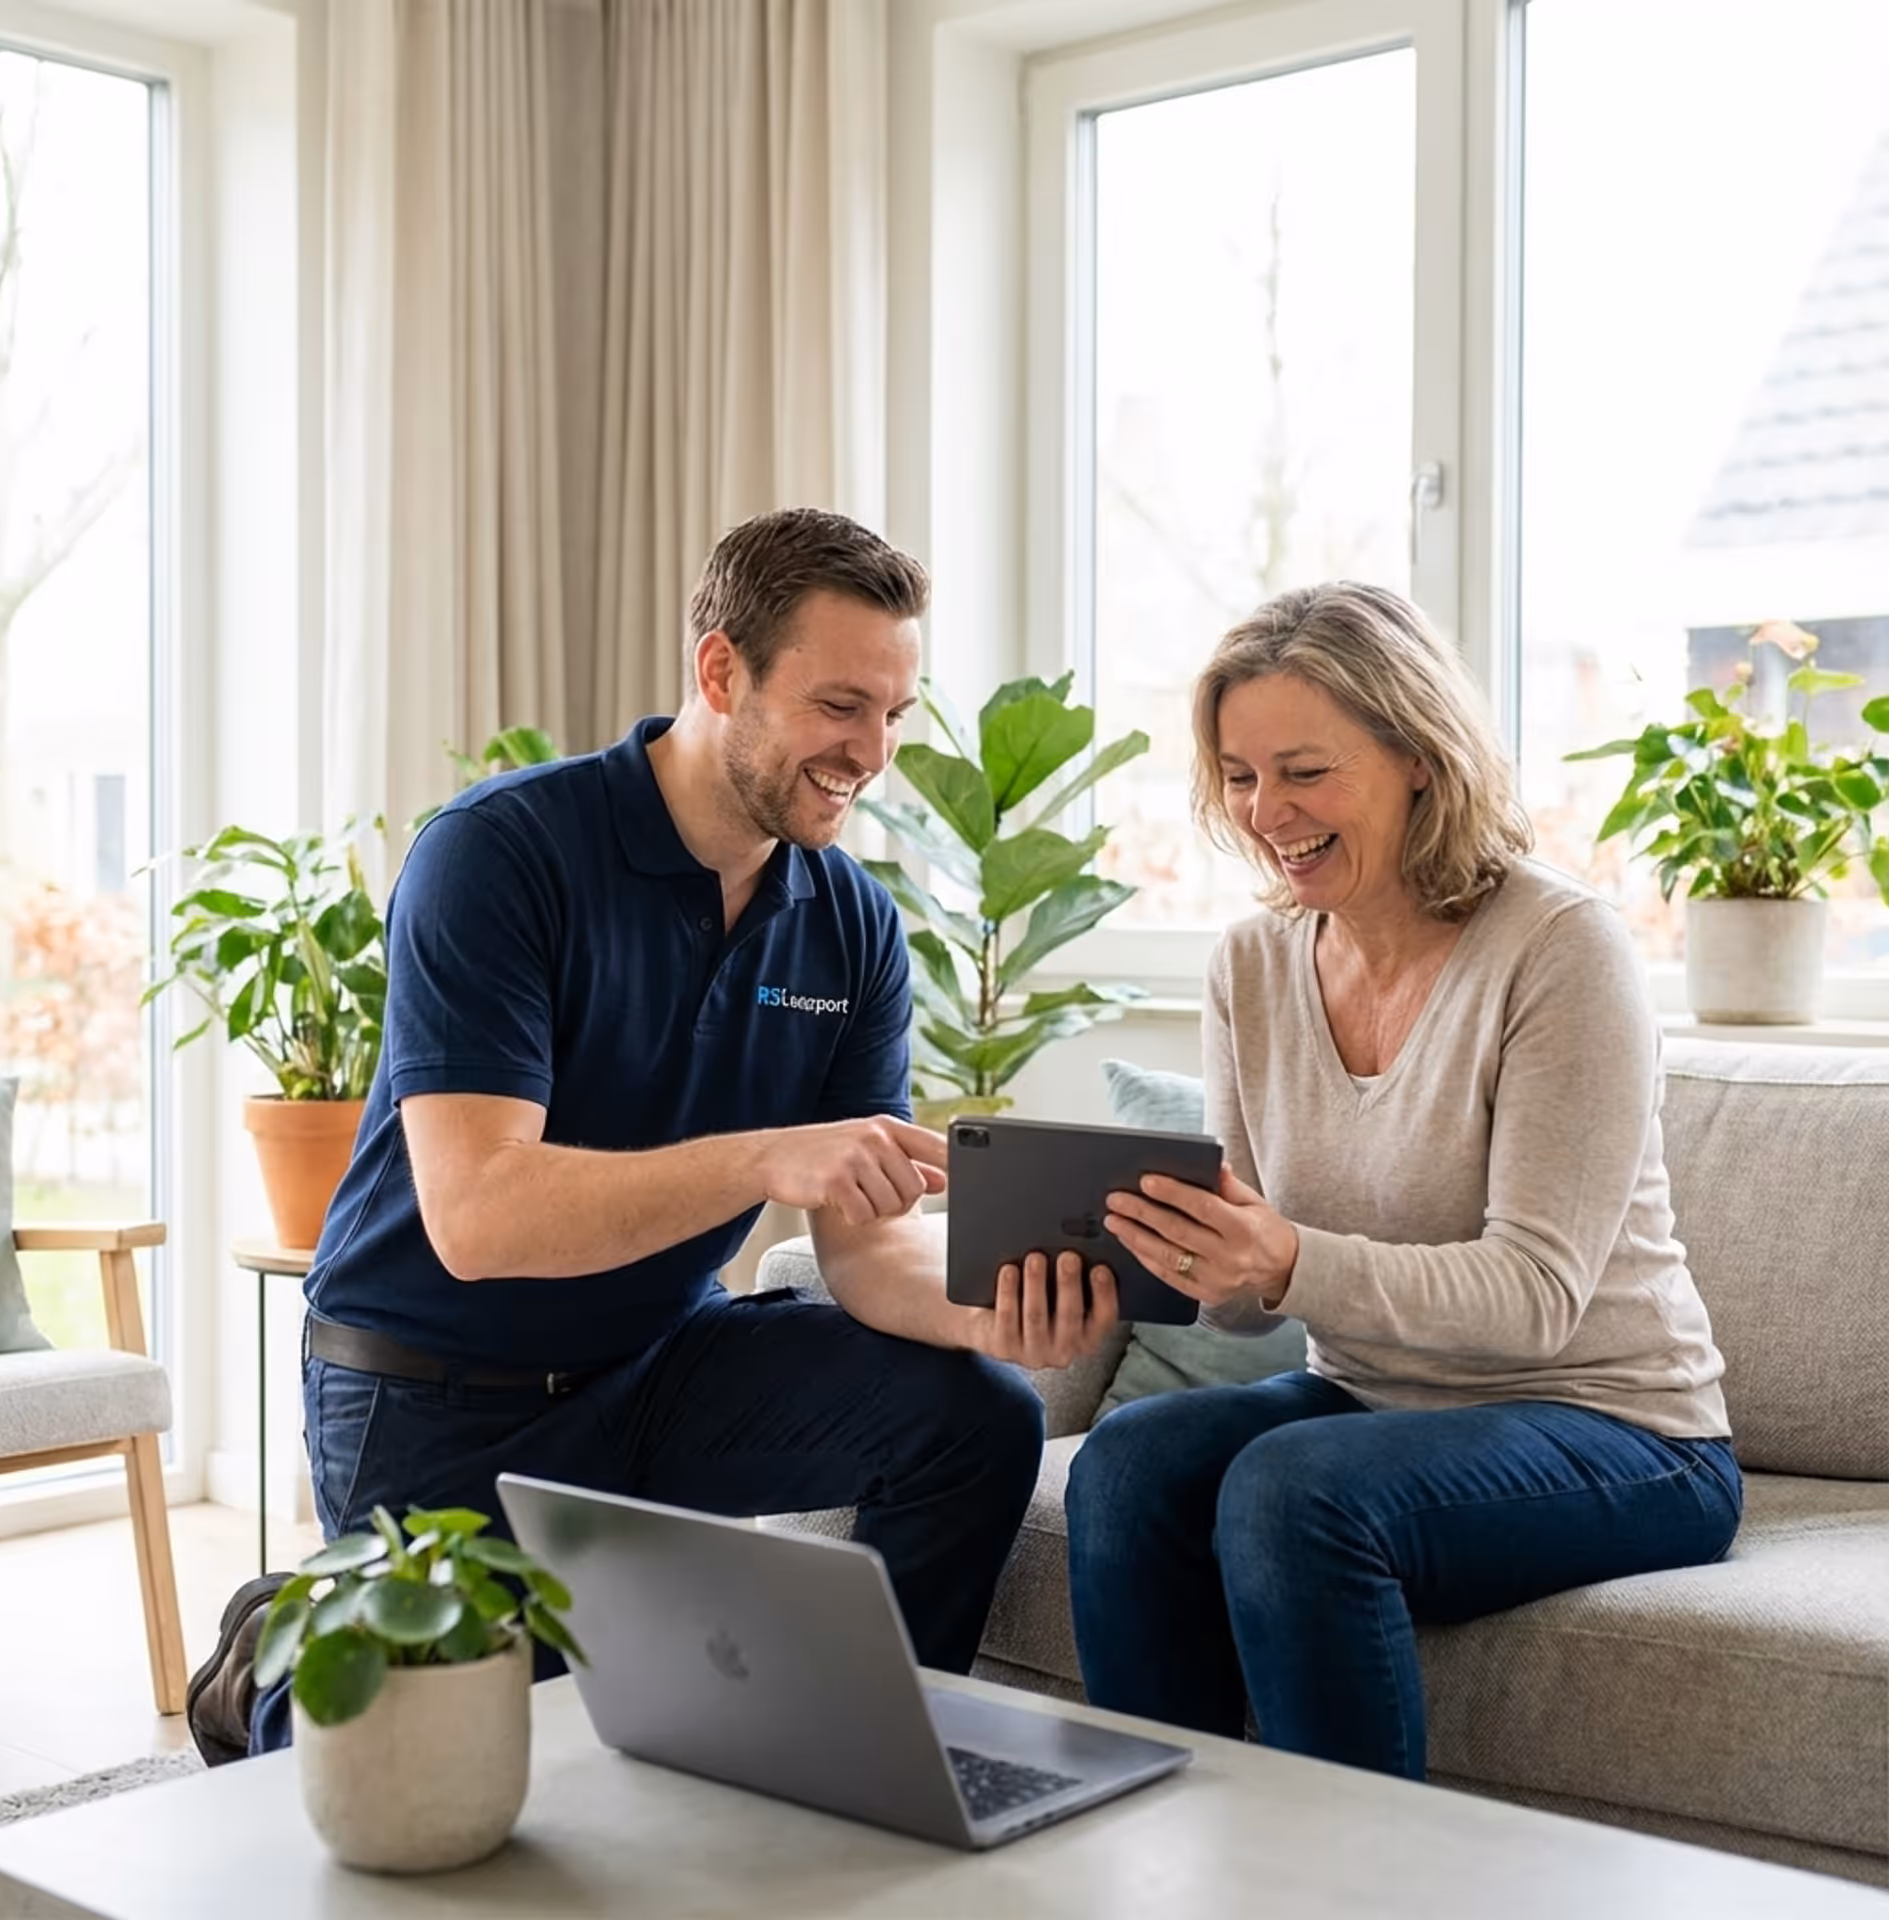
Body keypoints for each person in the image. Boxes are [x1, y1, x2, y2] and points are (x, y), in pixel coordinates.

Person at [187, 508, 1121, 1764]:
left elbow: (863, 1252)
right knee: (445, 1772)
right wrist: (760, 1157)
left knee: (979, 1418)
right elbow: (478, 1219)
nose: (873, 753)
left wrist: (981, 1317)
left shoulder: (851, 926)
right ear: (721, 670)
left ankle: (859, 1760)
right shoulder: (500, 856)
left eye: (895, 713)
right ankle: (272, 1670)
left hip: (658, 1367)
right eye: (842, 706)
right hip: (431, 1390)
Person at [1064, 581, 1741, 1782]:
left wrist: (1286, 1259)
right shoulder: (1253, 965)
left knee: (1290, 1490)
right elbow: (1245, 1287)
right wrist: (1151, 1262)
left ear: (1418, 757)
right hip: (1377, 1404)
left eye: (1306, 771)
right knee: (1125, 1463)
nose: (1267, 812)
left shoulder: (1557, 948)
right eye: (1238, 774)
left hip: (1622, 1431)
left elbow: (1536, 1294)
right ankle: (1167, 1859)